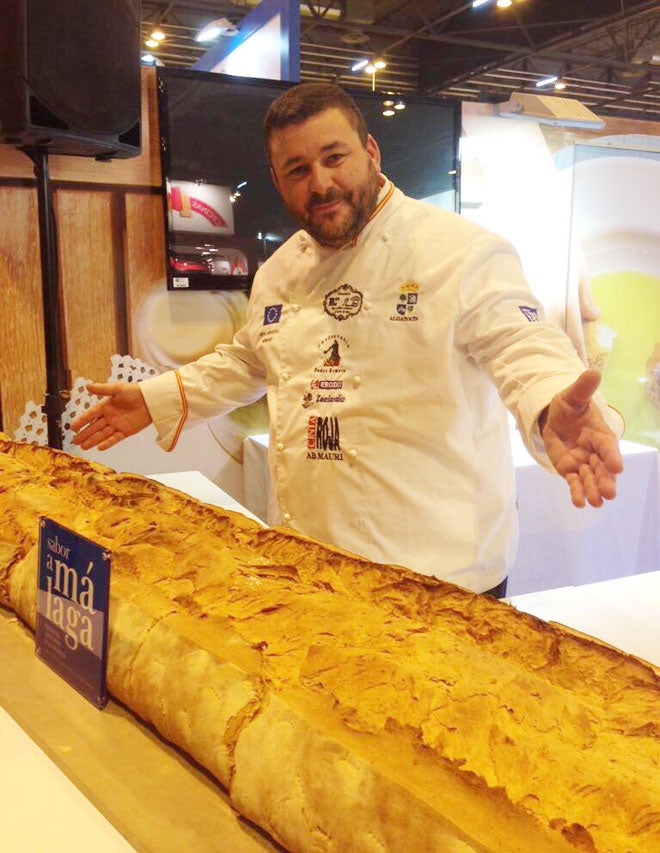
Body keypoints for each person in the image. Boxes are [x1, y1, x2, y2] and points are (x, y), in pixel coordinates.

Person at [71, 82, 624, 597]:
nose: (320, 183)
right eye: (297, 170)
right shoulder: (281, 268)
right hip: (315, 566)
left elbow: (521, 344)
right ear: (277, 180)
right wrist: (155, 398)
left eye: (334, 158)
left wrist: (554, 405)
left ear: (371, 152)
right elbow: (250, 359)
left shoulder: (461, 251)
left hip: (441, 580)